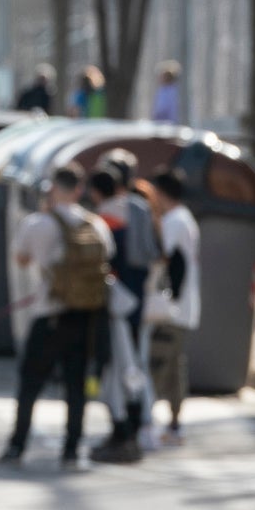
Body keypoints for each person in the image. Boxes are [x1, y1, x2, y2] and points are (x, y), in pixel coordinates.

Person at [0, 163, 113, 468]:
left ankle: (16, 447)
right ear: (78, 190)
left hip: (49, 315)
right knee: (76, 385)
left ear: (52, 188)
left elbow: (21, 260)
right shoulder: (96, 225)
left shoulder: (38, 223)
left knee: (30, 382)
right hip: (85, 316)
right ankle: (72, 449)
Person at [88, 155, 159, 463]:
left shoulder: (103, 217)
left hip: (115, 301)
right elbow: (155, 254)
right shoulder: (142, 208)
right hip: (139, 298)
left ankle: (124, 433)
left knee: (116, 369)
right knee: (134, 365)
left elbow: (104, 261)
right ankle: (134, 427)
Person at [144, 168, 200, 444]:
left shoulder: (174, 222)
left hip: (171, 308)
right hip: (182, 308)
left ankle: (147, 424)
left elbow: (158, 253)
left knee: (159, 365)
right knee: (174, 368)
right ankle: (175, 425)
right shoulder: (184, 219)